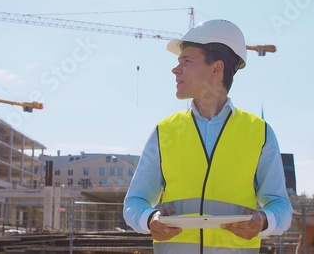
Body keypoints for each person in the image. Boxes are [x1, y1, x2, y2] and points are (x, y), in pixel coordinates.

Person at [123, 19, 293, 253]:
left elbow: (281, 206)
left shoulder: (259, 132)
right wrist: (149, 218)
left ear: (216, 69)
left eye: (186, 61)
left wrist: (264, 221)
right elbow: (134, 202)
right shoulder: (165, 131)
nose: (175, 69)